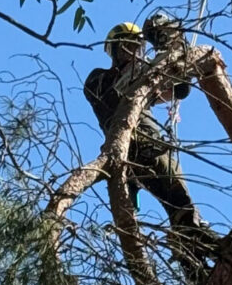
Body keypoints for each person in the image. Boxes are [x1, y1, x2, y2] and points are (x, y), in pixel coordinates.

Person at [84, 21, 216, 271]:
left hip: (148, 146)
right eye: (126, 46)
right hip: (139, 145)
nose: (133, 51)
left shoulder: (140, 80)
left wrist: (177, 72)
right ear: (113, 51)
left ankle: (193, 262)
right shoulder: (98, 79)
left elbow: (174, 91)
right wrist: (162, 58)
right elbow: (118, 88)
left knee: (177, 203)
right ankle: (202, 242)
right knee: (180, 200)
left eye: (137, 46)